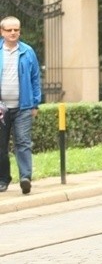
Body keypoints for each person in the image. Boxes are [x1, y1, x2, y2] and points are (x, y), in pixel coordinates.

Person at [0, 16, 41, 194]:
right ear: (2, 32)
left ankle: (25, 177)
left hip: (23, 107)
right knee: (1, 145)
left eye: (16, 29)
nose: (13, 33)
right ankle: (3, 179)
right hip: (1, 108)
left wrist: (35, 104)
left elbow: (35, 79)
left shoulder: (27, 52)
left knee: (23, 142)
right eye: (9, 30)